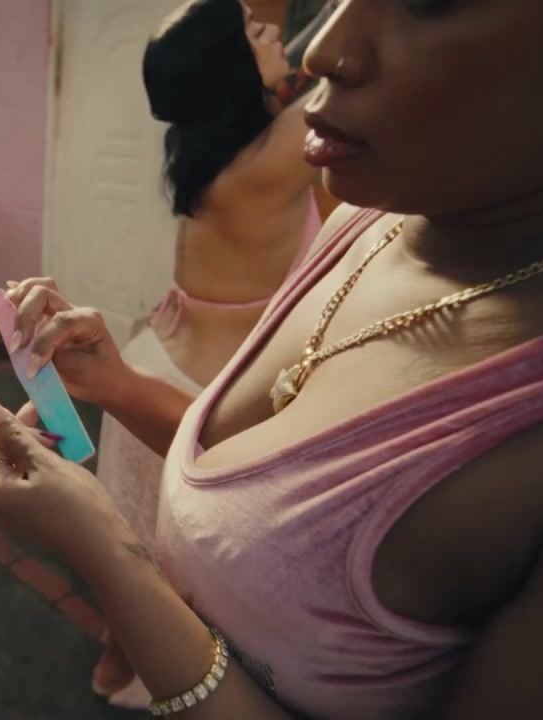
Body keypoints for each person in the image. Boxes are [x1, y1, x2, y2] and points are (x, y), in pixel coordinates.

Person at [0, 0, 543, 717]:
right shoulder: (368, 220)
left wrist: (108, 551)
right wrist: (118, 385)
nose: (321, 49)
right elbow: (256, 473)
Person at [78, 0, 325, 704]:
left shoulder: (205, 153)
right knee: (181, 576)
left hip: (153, 364)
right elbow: (355, 62)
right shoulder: (278, 151)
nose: (273, 29)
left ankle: (111, 667)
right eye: (251, 28)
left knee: (133, 556)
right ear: (228, 70)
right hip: (192, 397)